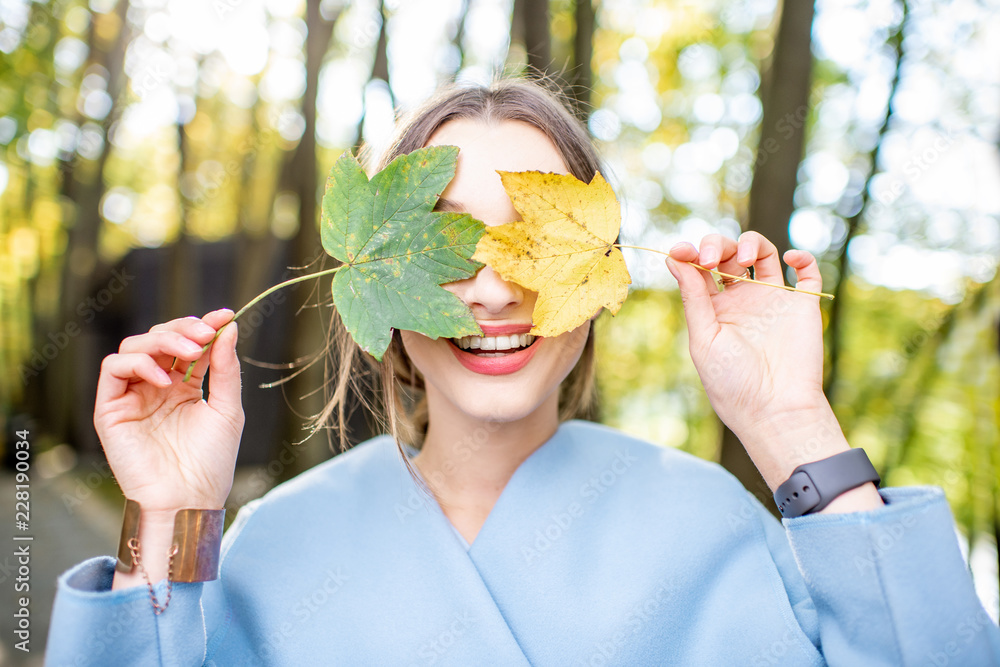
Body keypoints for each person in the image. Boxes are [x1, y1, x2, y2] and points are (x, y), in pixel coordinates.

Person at [45, 76, 1000, 667]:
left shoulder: (716, 523)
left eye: (534, 242)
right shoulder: (270, 543)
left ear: (596, 269)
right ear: (373, 274)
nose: (497, 287)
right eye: (446, 242)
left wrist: (794, 422)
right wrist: (167, 516)